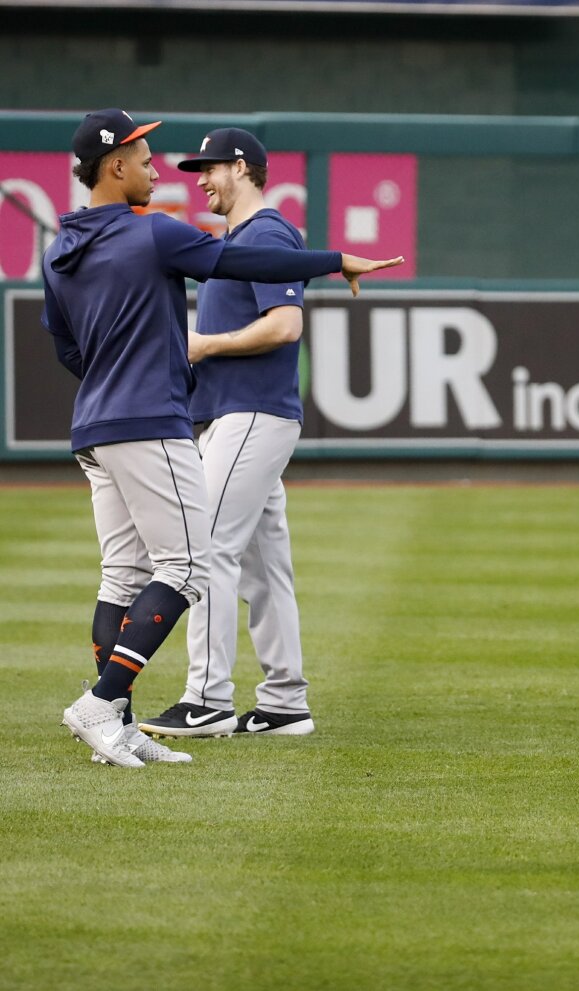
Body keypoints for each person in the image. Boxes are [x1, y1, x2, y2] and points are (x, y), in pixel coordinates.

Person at [44, 108, 402, 767]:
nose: (160, 168)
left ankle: (118, 723)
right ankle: (107, 700)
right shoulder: (151, 235)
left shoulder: (60, 251)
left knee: (124, 573)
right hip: (149, 420)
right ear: (114, 167)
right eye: (144, 156)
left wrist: (114, 374)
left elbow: (66, 346)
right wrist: (334, 259)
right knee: (187, 564)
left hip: (93, 425)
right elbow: (239, 261)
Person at [139, 128, 318, 740]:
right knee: (265, 568)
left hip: (251, 412)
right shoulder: (238, 239)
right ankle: (285, 703)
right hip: (241, 414)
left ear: (241, 168)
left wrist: (204, 345)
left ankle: (207, 697)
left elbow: (286, 325)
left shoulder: (266, 233)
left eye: (209, 168)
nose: (201, 180)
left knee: (204, 548)